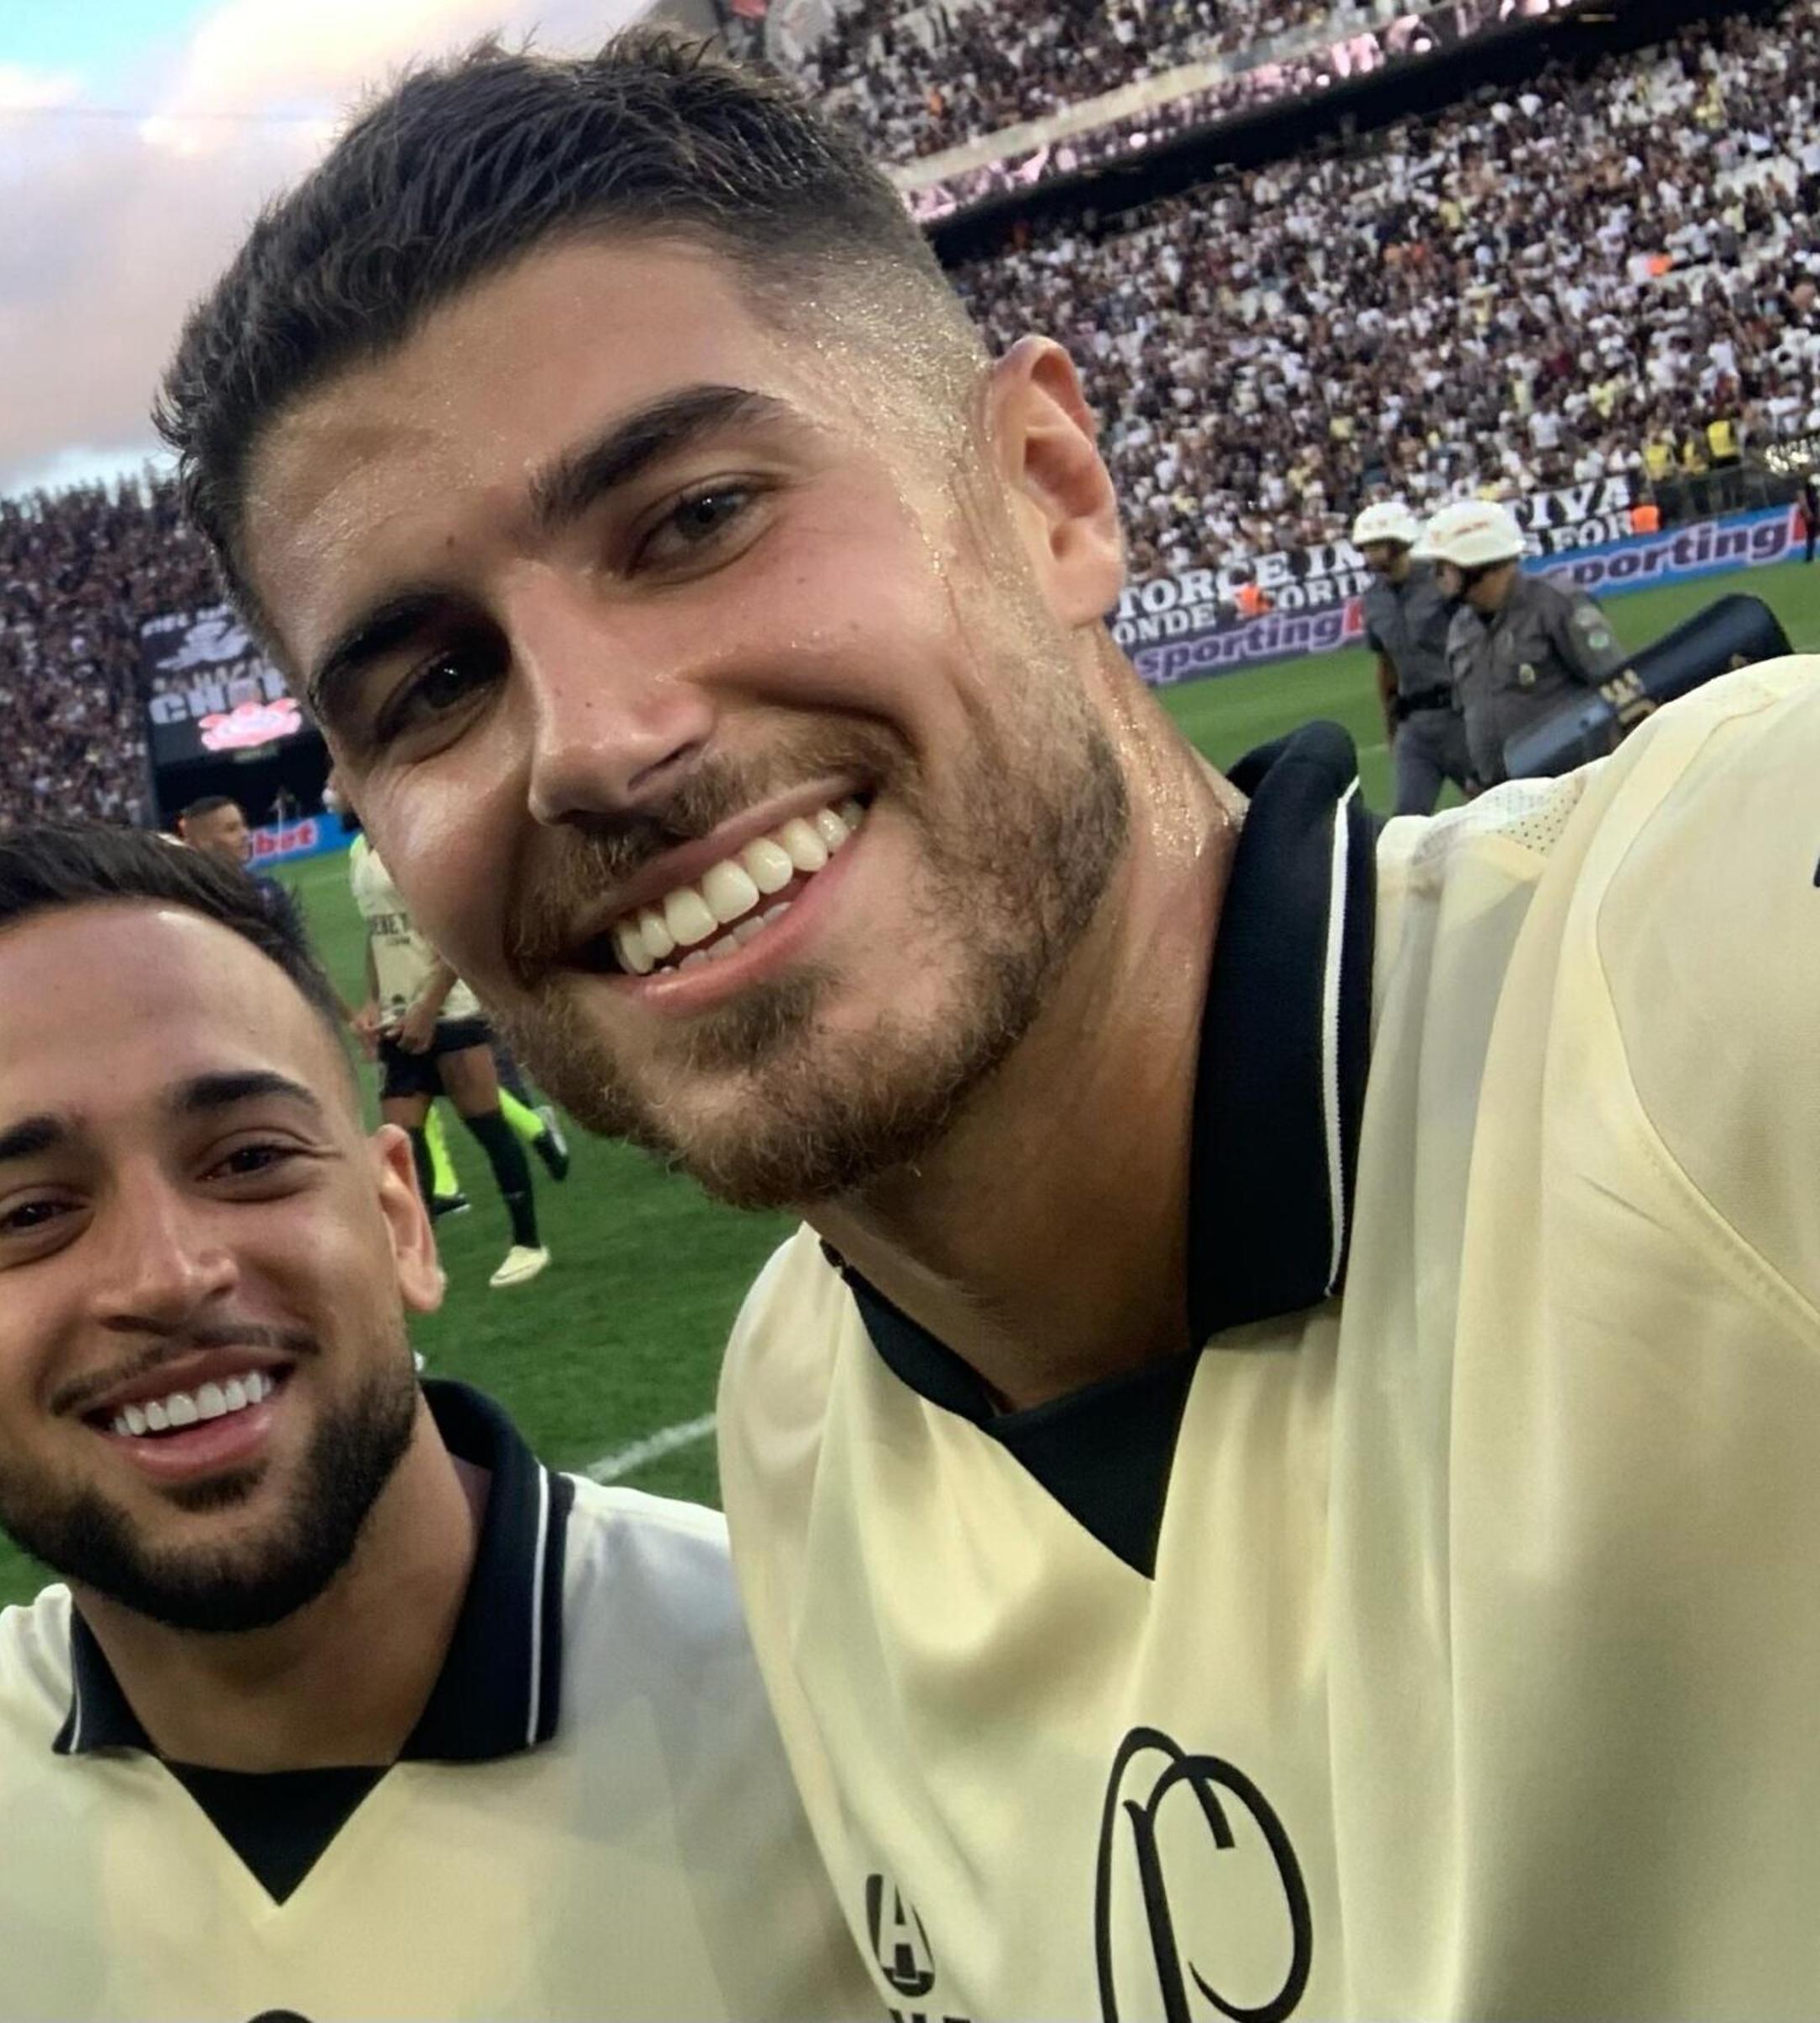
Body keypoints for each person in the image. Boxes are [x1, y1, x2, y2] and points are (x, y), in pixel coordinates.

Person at [156, 26, 1820, 2016]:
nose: (595, 743)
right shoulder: (793, 1404)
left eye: (692, 516)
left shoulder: (1702, 968)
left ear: (1046, 489)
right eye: (429, 684)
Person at [0, 823, 869, 2021]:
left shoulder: (805, 1686)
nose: (170, 1275)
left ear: (400, 1221)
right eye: (28, 1214)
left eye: (248, 1157)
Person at [346, 817, 551, 1288]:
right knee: (401, 1139)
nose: (333, 782)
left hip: (451, 1014)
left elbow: (452, 930)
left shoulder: (412, 840)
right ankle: (423, 1253)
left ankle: (528, 1243)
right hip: (398, 1019)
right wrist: (374, 1002)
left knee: (487, 1126)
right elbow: (376, 934)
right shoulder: (360, 851)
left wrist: (428, 1007)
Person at [1428, 496, 1635, 786]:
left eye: (1444, 567)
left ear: (1476, 563)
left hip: (1572, 785)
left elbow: (1620, 686)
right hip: (1501, 797)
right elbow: (1467, 712)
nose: (1436, 576)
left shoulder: (1556, 604)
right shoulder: (1461, 628)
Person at [1349, 500, 1471, 812]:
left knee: (1495, 804)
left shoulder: (1442, 581)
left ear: (1399, 542)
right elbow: (1386, 665)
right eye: (1365, 547)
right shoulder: (1373, 599)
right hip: (1413, 727)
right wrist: (1391, 728)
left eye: (1375, 546)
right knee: (1406, 822)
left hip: (1461, 717)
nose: (1369, 554)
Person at [170, 793, 309, 946]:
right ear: (202, 842)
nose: (245, 834)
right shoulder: (183, 900)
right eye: (231, 829)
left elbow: (296, 953)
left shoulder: (267, 891)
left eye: (243, 825)